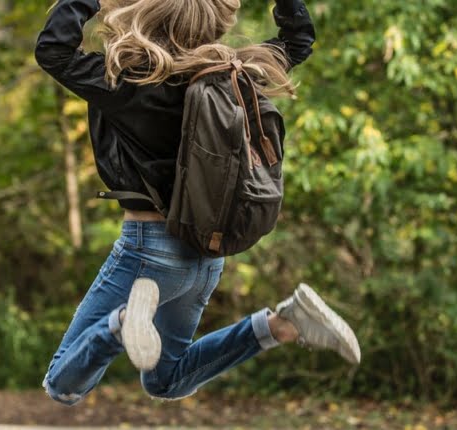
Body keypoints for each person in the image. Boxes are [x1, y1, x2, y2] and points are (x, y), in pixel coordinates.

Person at [35, 0, 360, 405]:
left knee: (62, 386)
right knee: (166, 380)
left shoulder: (126, 80)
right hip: (206, 256)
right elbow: (298, 39)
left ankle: (120, 325)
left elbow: (52, 50)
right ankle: (282, 325)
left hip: (148, 253)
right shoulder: (239, 73)